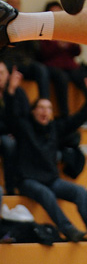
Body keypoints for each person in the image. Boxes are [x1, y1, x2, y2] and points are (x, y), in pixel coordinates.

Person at [4, 66, 87, 242]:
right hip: (28, 180)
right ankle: (68, 229)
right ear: (33, 111)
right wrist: (10, 91)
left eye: (49, 108)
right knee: (46, 194)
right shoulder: (24, 127)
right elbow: (10, 116)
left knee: (80, 192)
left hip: (51, 179)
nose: (45, 111)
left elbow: (78, 119)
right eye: (41, 107)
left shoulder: (55, 128)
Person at [38, 0, 87, 124]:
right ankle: (65, 115)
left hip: (70, 65)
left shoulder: (67, 28)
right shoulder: (43, 29)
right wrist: (58, 45)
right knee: (62, 78)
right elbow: (42, 54)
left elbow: (77, 52)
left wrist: (72, 43)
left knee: (85, 78)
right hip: (53, 65)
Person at [1, 0, 51, 101]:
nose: (14, 6)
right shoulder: (1, 23)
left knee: (40, 69)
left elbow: (36, 48)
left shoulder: (26, 23)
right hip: (7, 62)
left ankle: (44, 101)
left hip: (25, 63)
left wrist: (30, 31)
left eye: (16, 3)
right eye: (11, 3)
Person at [0, 59, 30, 194]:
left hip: (15, 133)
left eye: (1, 73)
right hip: (4, 136)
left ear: (8, 74)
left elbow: (24, 118)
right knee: (9, 143)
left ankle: (26, 182)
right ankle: (10, 188)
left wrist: (10, 93)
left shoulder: (19, 93)